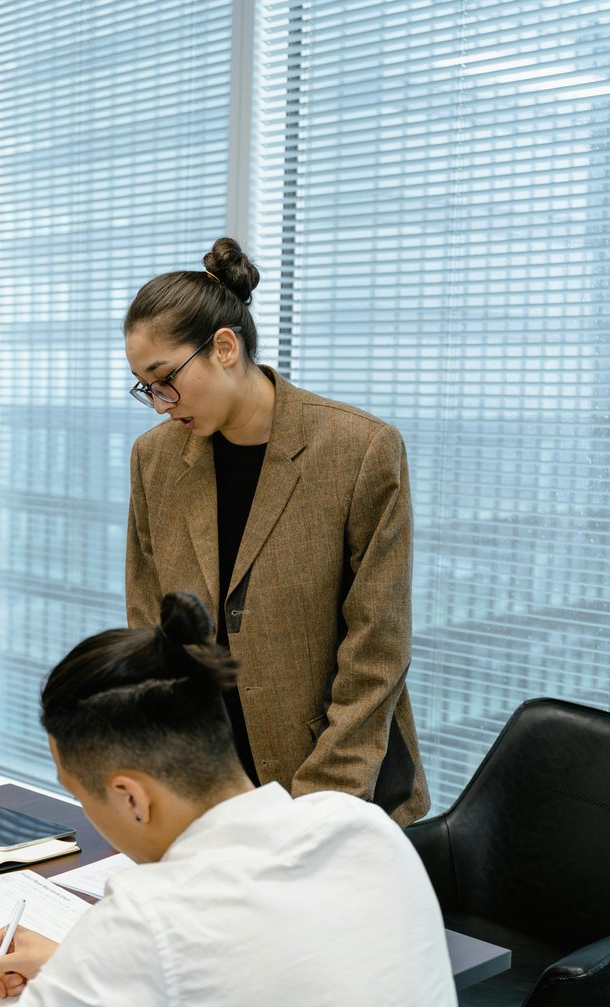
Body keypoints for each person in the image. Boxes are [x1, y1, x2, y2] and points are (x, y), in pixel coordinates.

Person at [0, 593, 461, 1007]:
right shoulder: (363, 827)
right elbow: (261, 983)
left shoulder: (150, 924)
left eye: (80, 795)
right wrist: (78, 969)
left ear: (131, 797)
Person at [124, 237, 428, 824]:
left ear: (224, 347)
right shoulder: (155, 458)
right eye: (146, 387)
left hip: (340, 786)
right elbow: (149, 625)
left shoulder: (359, 450)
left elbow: (377, 649)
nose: (160, 404)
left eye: (166, 379)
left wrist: (321, 802)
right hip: (212, 784)